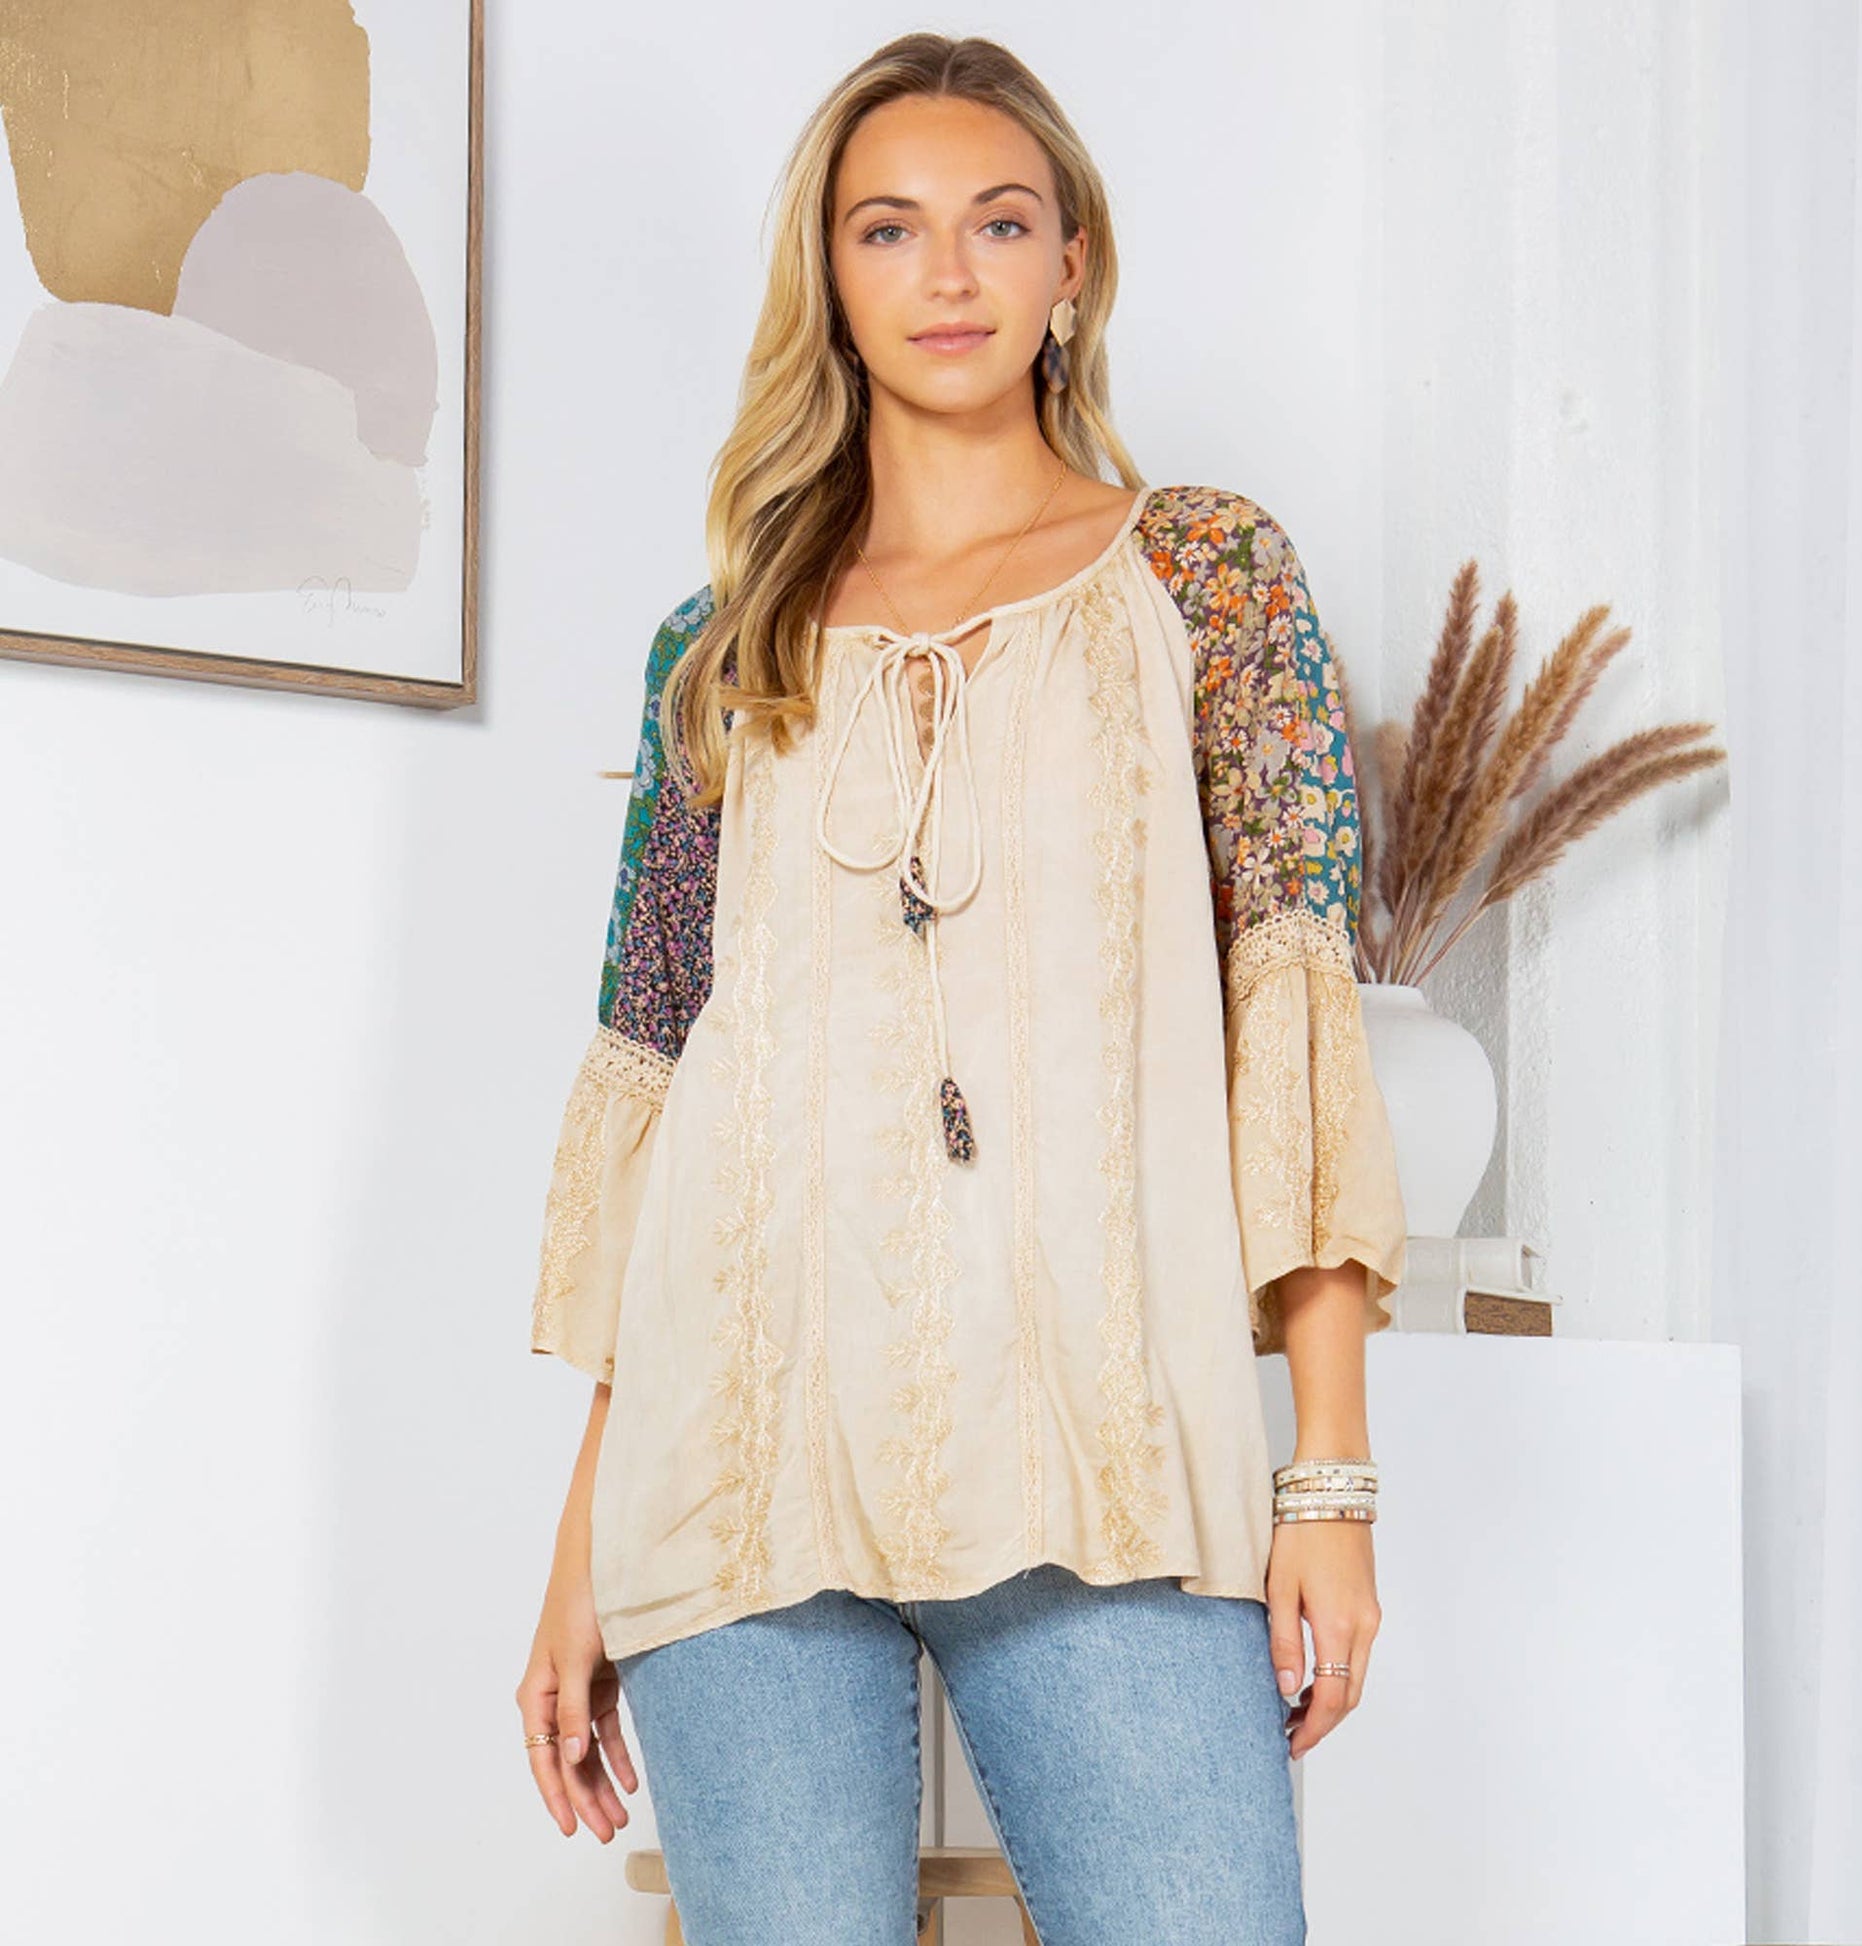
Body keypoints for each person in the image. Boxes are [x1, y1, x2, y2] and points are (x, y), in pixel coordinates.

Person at [514, 29, 1407, 1945]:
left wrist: (1324, 1482)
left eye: (998, 223)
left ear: (1072, 263)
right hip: (732, 1475)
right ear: (828, 278)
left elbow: (1291, 1003)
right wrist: (582, 1545)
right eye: (887, 228)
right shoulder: (716, 648)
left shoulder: (1209, 577)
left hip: (1102, 1457)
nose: (946, 272)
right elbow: (667, 1081)